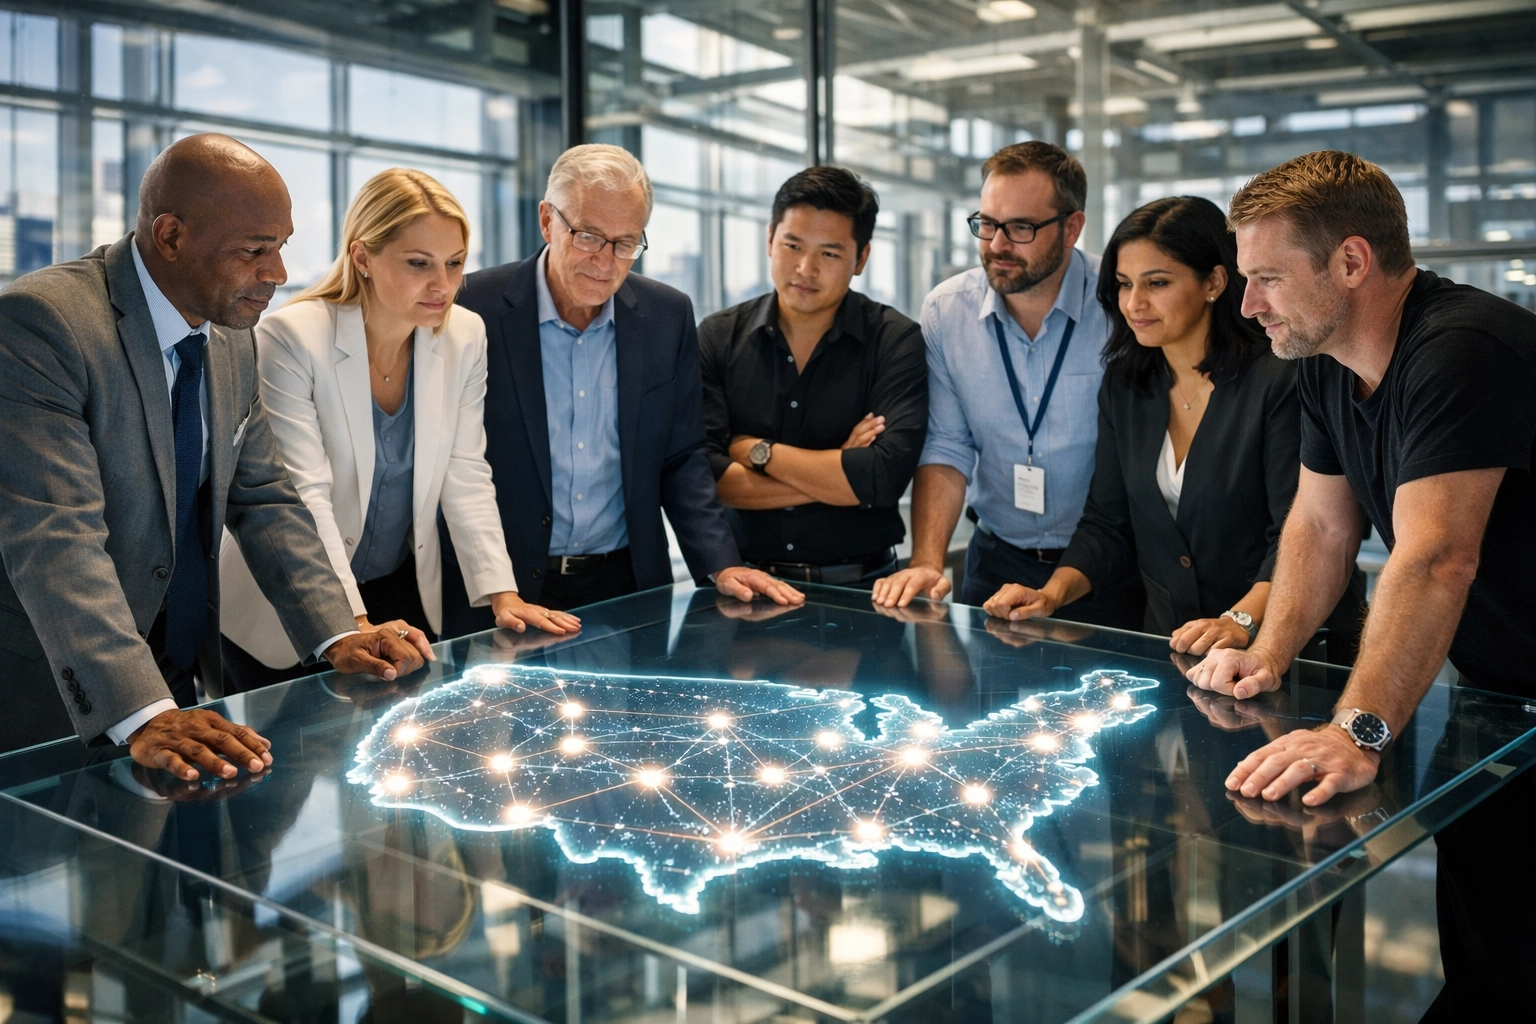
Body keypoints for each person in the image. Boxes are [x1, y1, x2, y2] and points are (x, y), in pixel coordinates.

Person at [1186, 150, 1536, 1018]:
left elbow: (1435, 556)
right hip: (1503, 690)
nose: (1246, 304)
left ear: (1351, 261)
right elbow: (1320, 525)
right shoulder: (1326, 363)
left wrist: (1358, 731)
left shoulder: (1462, 349)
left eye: (1267, 277)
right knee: (1490, 950)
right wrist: (1266, 654)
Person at [0, 133, 424, 779]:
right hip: (65, 690)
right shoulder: (42, 325)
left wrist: (338, 631)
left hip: (181, 677)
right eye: (254, 251)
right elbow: (57, 537)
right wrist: (143, 710)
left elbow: (265, 497)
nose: (278, 274)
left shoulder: (229, 337)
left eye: (280, 246)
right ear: (169, 237)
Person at [218, 169, 579, 690]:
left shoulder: (464, 335)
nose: (443, 285)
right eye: (419, 264)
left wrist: (504, 592)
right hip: (285, 606)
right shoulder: (291, 337)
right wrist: (350, 626)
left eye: (454, 264)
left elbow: (465, 470)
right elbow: (302, 496)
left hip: (395, 591)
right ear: (362, 257)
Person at [439, 143, 802, 632]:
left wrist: (721, 561)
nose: (606, 261)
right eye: (589, 236)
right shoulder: (471, 307)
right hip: (499, 590)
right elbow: (452, 461)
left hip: (626, 588)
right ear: (547, 221)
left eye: (625, 242)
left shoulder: (666, 315)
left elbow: (682, 456)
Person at [982, 196, 1363, 657]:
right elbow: (1108, 523)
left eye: (1156, 283)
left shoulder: (1281, 379)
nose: (1134, 303)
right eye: (1123, 284)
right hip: (1178, 645)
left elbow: (1304, 533)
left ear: (1215, 282)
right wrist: (1050, 594)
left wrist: (1240, 619)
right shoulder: (1127, 385)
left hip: (1290, 645)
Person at [871, 141, 1142, 626]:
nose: (997, 244)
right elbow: (948, 446)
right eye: (988, 224)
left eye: (1020, 228)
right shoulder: (946, 311)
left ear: (1072, 228)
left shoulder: (1123, 304)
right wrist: (928, 561)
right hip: (996, 560)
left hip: (1114, 564)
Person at [698, 166, 927, 586]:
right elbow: (706, 481)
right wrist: (840, 470)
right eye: (792, 245)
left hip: (861, 589)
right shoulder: (717, 337)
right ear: (770, 240)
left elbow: (882, 478)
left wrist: (755, 451)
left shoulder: (895, 341)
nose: (805, 268)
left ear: (861, 259)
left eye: (829, 253)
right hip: (742, 589)